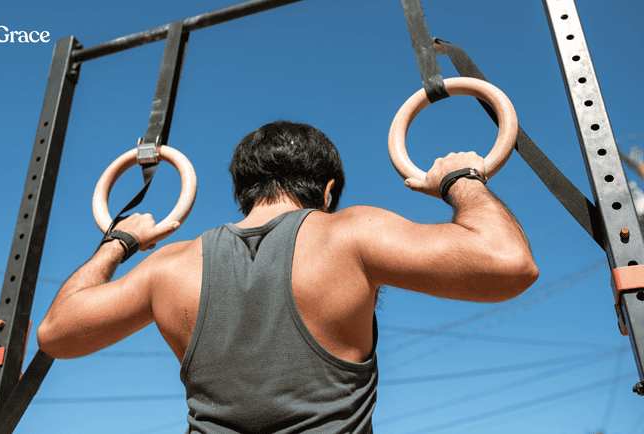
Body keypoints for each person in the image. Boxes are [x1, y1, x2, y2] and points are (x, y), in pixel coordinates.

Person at [37, 120, 539, 433]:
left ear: (242, 192)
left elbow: (56, 334)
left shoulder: (168, 266)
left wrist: (119, 241)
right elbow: (509, 265)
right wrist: (461, 181)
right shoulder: (349, 233)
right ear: (327, 191)